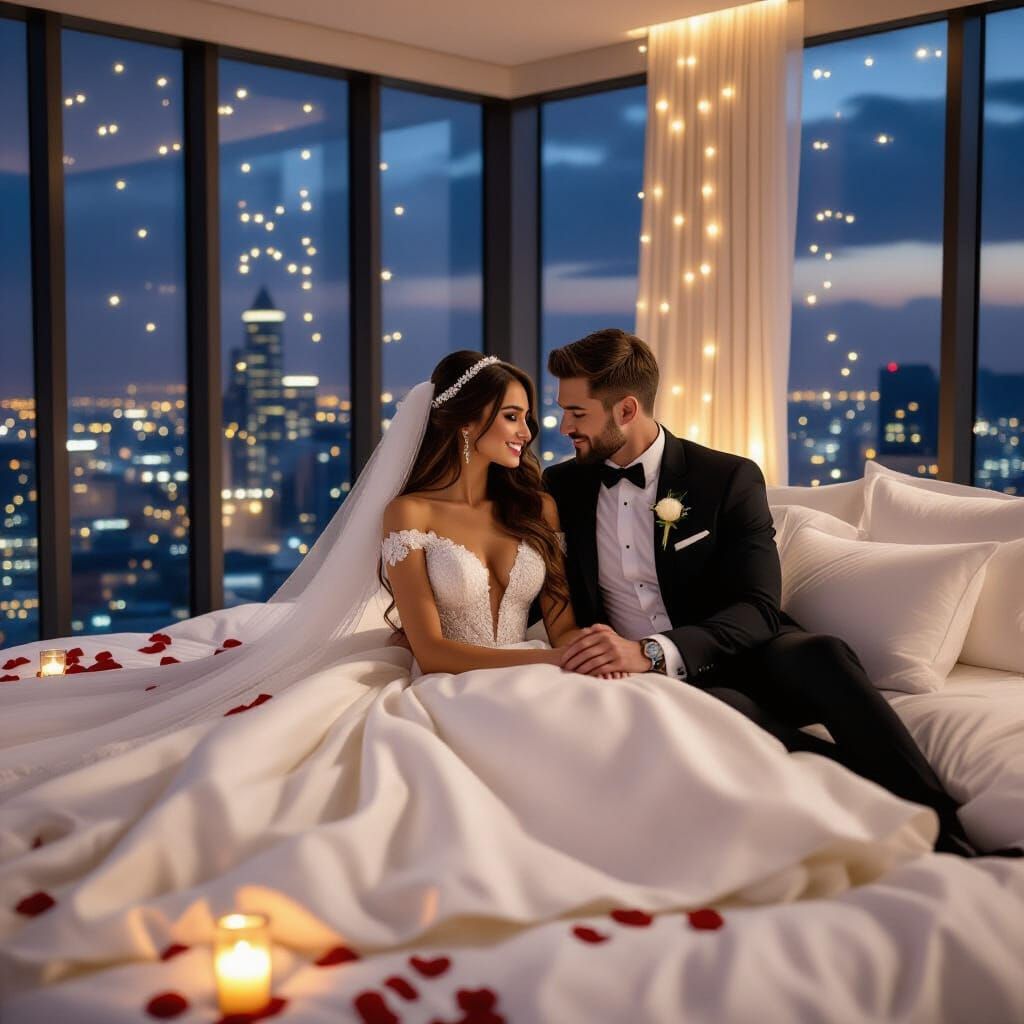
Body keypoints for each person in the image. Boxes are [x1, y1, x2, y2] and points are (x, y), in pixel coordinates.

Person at [540, 328, 978, 856]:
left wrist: (654, 651)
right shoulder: (561, 488)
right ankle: (905, 828)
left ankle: (951, 830)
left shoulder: (725, 477)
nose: (564, 426)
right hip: (647, 683)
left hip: (736, 649)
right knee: (728, 714)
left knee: (824, 655)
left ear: (627, 409)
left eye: (577, 413)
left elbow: (758, 609)